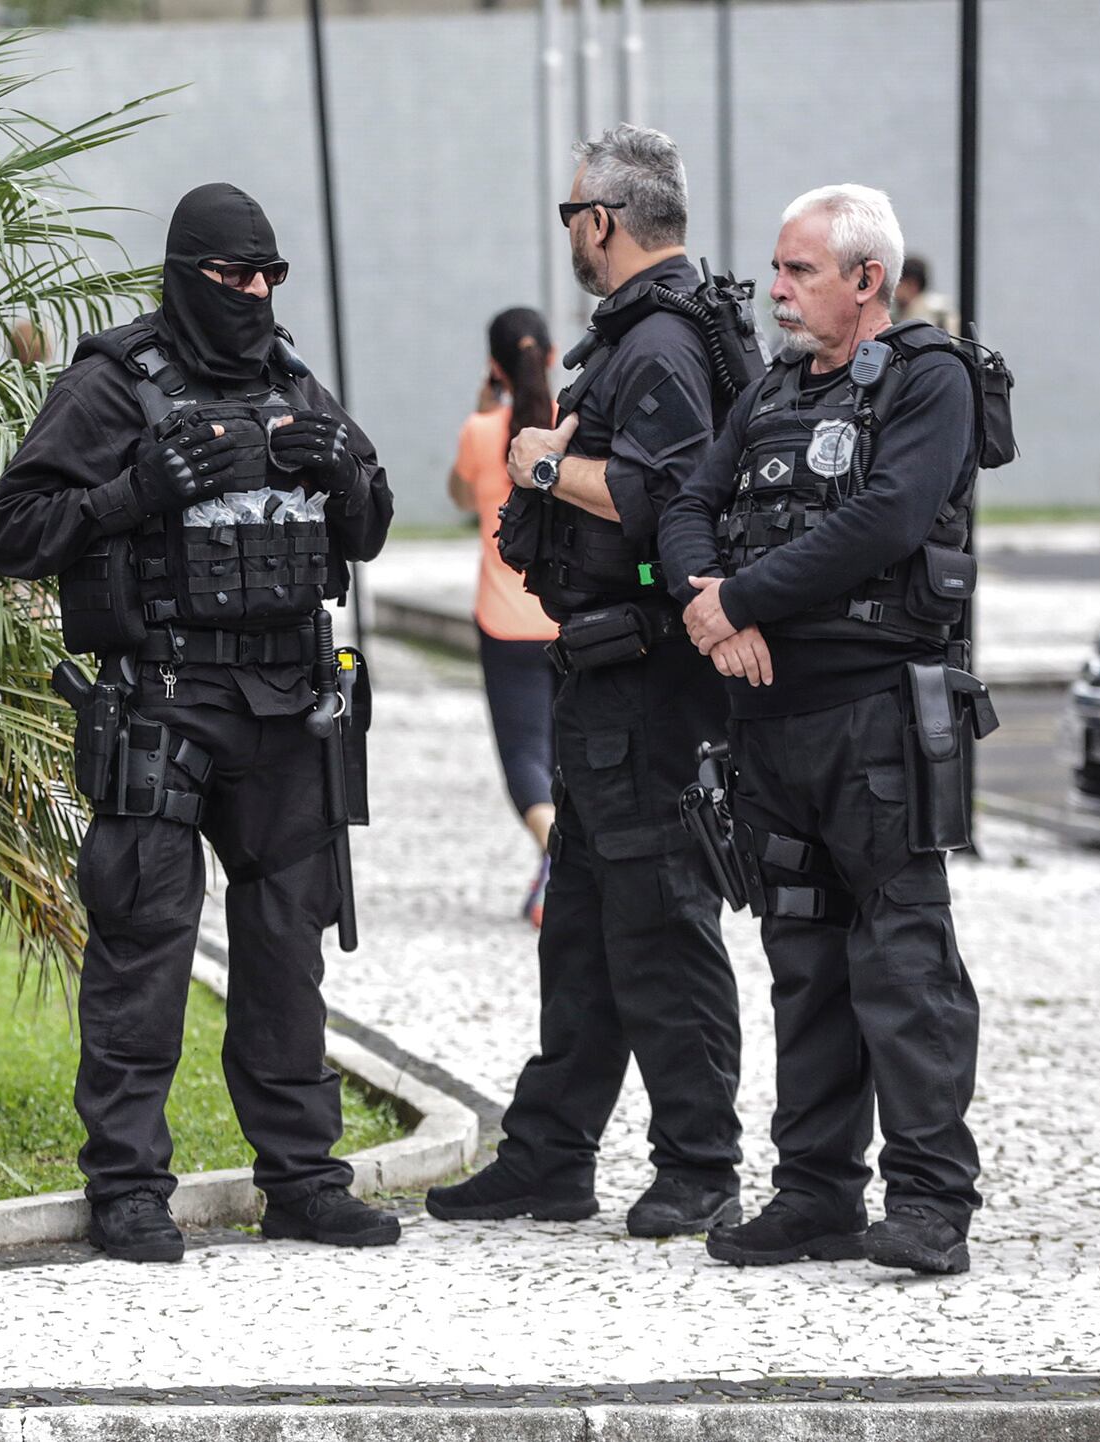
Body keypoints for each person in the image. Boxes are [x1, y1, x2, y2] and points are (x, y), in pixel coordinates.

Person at [0, 182, 398, 1263]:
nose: (253, 294)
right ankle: (126, 1187)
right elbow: (10, 529)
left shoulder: (292, 380)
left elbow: (371, 524)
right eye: (232, 278)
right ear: (183, 278)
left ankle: (303, 1177)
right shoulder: (113, 384)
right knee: (144, 941)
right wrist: (131, 491)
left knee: (283, 946)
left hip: (285, 707)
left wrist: (342, 471)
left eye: (268, 276)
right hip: (164, 699)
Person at [661, 185, 992, 1275]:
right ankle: (812, 1191)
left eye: (798, 271)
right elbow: (684, 507)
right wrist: (708, 602)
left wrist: (738, 600)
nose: (777, 290)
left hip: (875, 722)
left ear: (865, 280)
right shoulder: (765, 390)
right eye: (775, 268)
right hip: (770, 729)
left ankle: (931, 1202)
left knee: (902, 957)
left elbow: (886, 517)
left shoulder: (926, 376)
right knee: (802, 963)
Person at [425, 125, 744, 1238]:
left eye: (571, 212)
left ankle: (700, 1162)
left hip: (649, 682)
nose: (567, 229)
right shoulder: (648, 334)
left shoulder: (655, 343)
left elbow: (666, 497)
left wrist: (547, 461)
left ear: (600, 221)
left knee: (659, 921)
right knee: (586, 929)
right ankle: (550, 1154)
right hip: (605, 677)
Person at [446, 307, 561, 925]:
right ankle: (564, 865)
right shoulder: (574, 428)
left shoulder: (481, 431)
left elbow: (463, 497)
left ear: (496, 366)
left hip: (504, 621)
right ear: (553, 354)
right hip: (571, 617)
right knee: (571, 756)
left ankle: (558, 853)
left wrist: (483, 407)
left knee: (525, 754)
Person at [893, 255, 959, 334]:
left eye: (897, 283)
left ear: (912, 284)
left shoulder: (939, 314)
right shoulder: (895, 313)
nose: (892, 288)